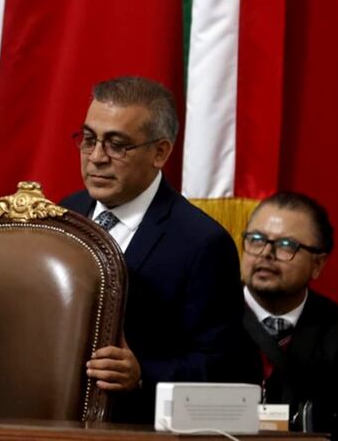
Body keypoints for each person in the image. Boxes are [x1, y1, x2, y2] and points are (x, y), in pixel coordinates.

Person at [60, 76, 250, 423]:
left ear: (160, 152)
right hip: (46, 421)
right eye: (89, 140)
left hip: (136, 427)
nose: (97, 158)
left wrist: (143, 373)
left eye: (117, 145)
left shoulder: (201, 243)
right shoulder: (64, 214)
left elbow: (229, 367)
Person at [240, 192, 338, 437]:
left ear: (318, 264)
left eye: (286, 245)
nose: (266, 253)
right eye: (256, 239)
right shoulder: (205, 315)